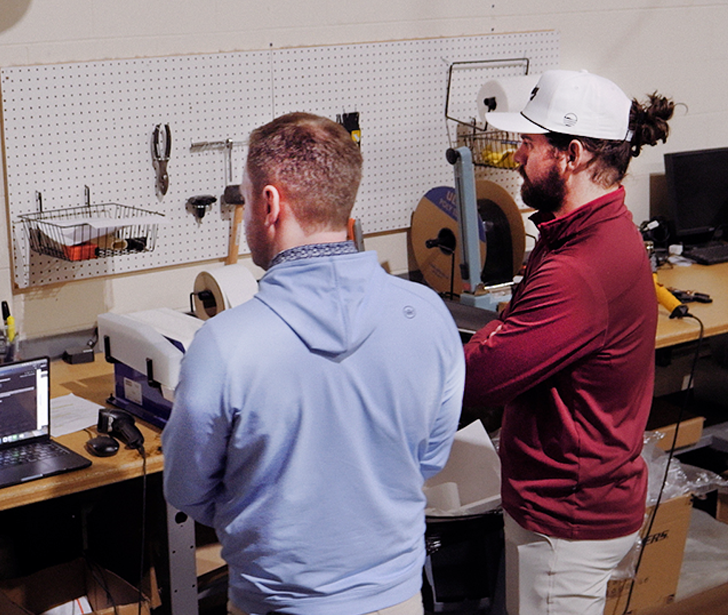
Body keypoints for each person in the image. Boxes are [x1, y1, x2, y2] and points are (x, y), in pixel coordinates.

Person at [162, 112, 465, 615]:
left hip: (276, 604)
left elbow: (186, 488)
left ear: (269, 202)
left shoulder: (224, 344)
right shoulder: (428, 314)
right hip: (398, 598)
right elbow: (428, 459)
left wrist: (258, 512)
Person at [465, 70, 675, 615]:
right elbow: (520, 329)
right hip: (582, 505)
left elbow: (479, 378)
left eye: (528, 144)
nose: (516, 157)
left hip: (566, 523)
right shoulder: (594, 229)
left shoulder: (579, 268)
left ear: (572, 153)